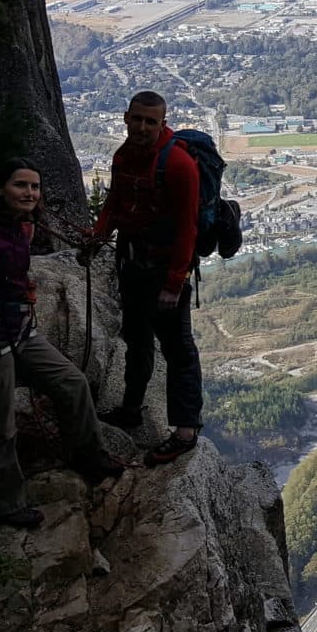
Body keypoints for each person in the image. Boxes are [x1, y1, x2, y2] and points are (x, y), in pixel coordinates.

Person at [0, 159, 126, 529]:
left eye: (34, 187)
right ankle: (5, 504)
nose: (29, 193)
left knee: (72, 382)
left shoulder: (19, 227)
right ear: (0, 188)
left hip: (18, 331)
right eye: (20, 185)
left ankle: (88, 456)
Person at [89, 90, 204, 465]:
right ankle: (131, 408)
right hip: (133, 264)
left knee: (178, 350)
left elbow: (187, 229)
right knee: (136, 339)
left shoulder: (179, 165)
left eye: (150, 121)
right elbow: (115, 203)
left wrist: (174, 284)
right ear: (126, 117)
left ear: (162, 123)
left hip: (164, 271)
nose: (141, 127)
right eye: (136, 119)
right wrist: (97, 237)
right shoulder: (124, 155)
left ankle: (185, 431)